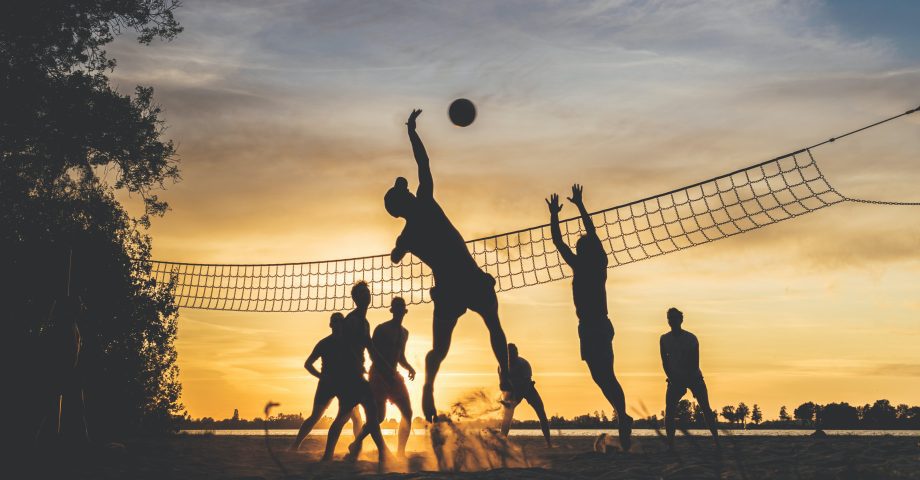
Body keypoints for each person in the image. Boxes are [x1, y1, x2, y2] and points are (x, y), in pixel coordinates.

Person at [384, 109, 511, 422]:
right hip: (468, 278)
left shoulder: (408, 233)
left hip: (448, 288)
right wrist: (412, 131)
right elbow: (423, 163)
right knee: (493, 324)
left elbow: (395, 257)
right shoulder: (424, 201)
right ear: (406, 201)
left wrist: (399, 248)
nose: (410, 190)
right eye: (405, 192)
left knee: (440, 350)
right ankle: (505, 374)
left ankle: (428, 386)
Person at [546, 184, 634, 450]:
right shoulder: (589, 264)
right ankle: (624, 415)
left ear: (585, 250)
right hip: (589, 326)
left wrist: (565, 211)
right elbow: (565, 242)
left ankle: (623, 418)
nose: (577, 247)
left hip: (595, 324)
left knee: (606, 374)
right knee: (601, 376)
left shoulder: (593, 264)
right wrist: (567, 210)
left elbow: (570, 239)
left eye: (579, 246)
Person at [347, 297, 416, 458]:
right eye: (396, 307)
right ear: (392, 310)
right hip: (378, 374)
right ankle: (356, 443)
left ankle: (401, 452)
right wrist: (384, 370)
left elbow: (401, 357)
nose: (399, 310)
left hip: (394, 374)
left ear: (404, 311)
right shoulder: (382, 329)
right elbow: (373, 354)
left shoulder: (405, 333)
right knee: (379, 417)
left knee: (407, 412)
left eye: (401, 307)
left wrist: (409, 367)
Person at [290, 312, 362, 451]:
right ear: (330, 324)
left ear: (344, 324)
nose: (337, 324)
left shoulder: (350, 342)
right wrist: (320, 376)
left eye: (340, 321)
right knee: (315, 416)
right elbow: (308, 364)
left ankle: (358, 446)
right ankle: (295, 445)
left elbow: (357, 361)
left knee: (356, 415)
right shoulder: (324, 343)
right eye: (334, 321)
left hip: (345, 384)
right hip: (327, 384)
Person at [660, 307, 719, 449]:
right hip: (674, 378)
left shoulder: (691, 338)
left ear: (681, 320)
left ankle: (716, 440)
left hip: (694, 377)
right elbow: (664, 362)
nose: (672, 321)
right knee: (669, 410)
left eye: (674, 318)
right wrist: (673, 379)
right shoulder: (664, 339)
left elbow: (694, 363)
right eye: (670, 318)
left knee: (705, 408)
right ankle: (671, 444)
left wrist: (687, 381)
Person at [499, 343, 551, 447]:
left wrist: (516, 401)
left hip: (528, 388)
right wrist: (506, 401)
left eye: (515, 354)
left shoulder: (524, 364)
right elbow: (503, 385)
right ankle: (502, 443)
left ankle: (549, 443)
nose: (512, 357)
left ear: (517, 353)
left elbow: (526, 385)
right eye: (510, 355)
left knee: (541, 412)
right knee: (507, 416)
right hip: (512, 391)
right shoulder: (501, 367)